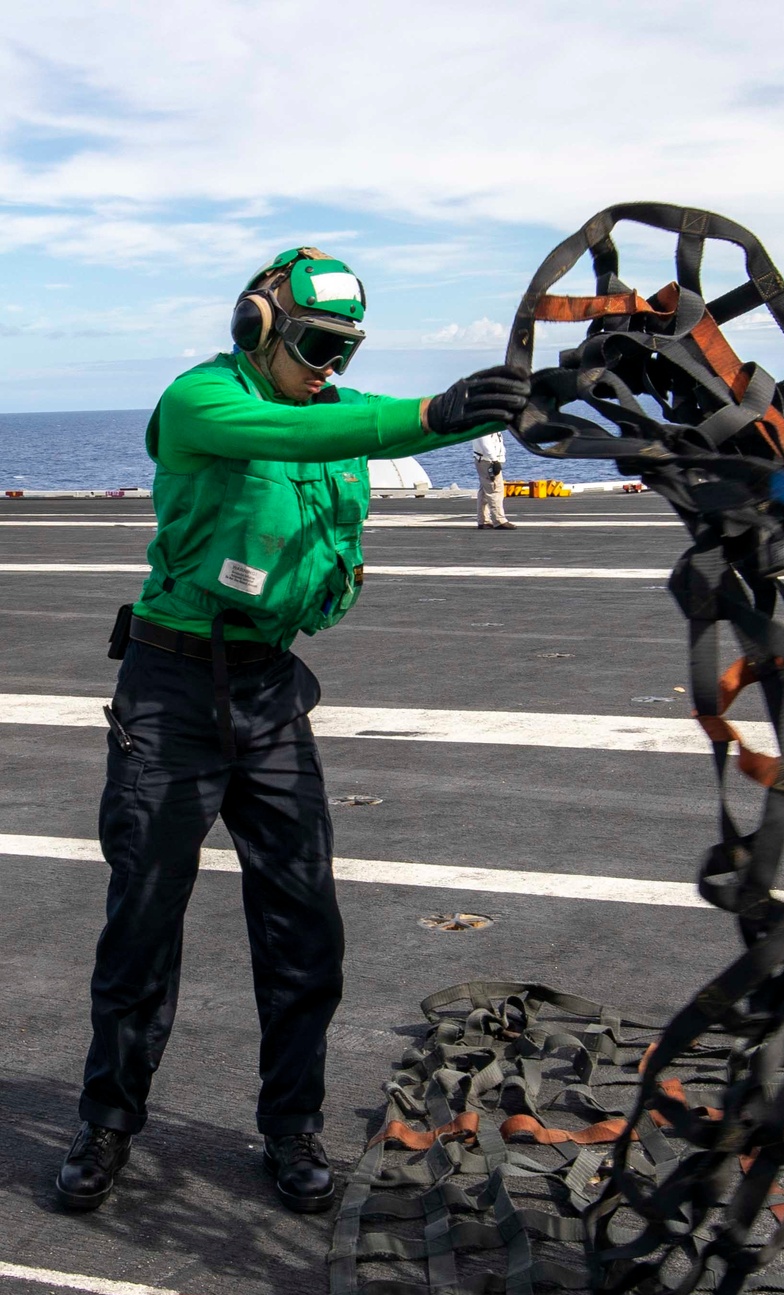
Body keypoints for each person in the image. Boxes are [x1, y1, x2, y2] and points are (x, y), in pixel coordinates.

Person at [55, 247, 529, 1214]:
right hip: (172, 690)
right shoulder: (201, 402)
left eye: (344, 352)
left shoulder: (328, 412)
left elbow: (351, 425)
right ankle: (109, 1122)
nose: (329, 370)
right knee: (142, 925)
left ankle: (291, 1128)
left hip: (269, 691)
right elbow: (320, 432)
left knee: (305, 926)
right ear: (256, 326)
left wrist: (536, 397)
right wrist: (437, 415)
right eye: (315, 345)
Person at [472, 429, 515, 529]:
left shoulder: (482, 422)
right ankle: (499, 520)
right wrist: (494, 460)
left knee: (484, 490)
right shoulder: (485, 425)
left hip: (484, 459)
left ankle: (483, 520)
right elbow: (485, 442)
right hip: (487, 461)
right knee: (495, 490)